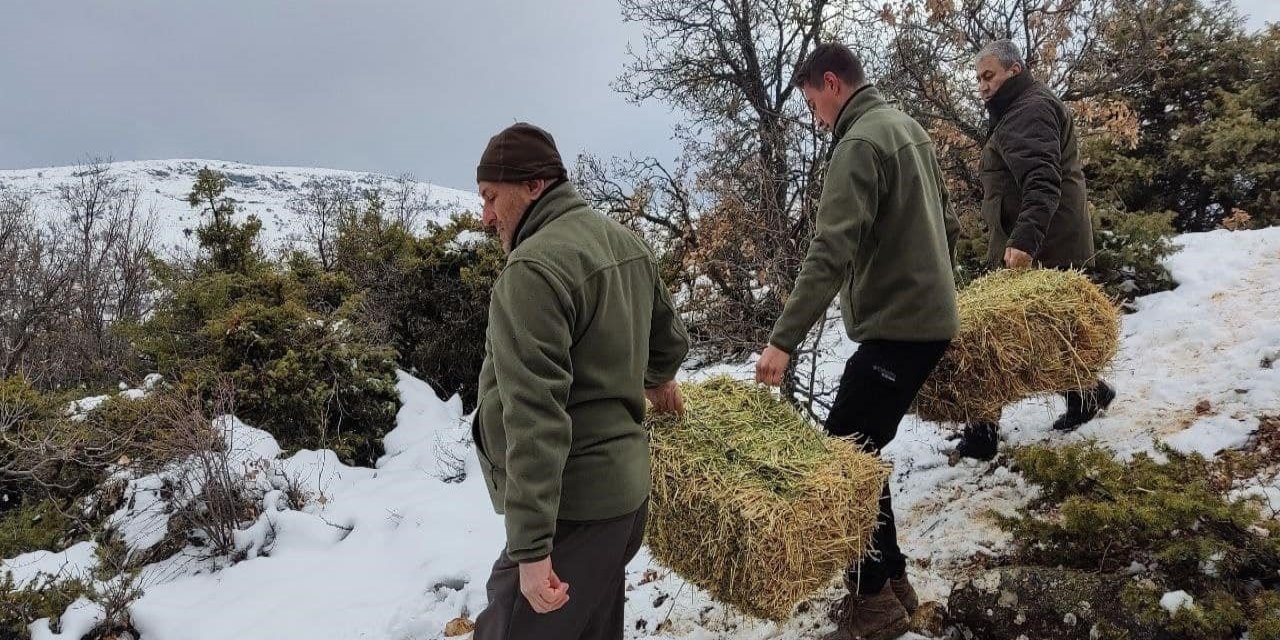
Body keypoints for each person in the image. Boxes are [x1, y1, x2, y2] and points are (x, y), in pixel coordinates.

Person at [754, 43, 959, 640]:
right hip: (924, 321)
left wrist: (783, 340)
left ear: (830, 83)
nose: (815, 115)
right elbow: (946, 226)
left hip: (900, 329)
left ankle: (870, 605)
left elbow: (829, 252)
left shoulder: (860, 143)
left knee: (842, 461)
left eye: (812, 102)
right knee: (860, 454)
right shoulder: (908, 129)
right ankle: (891, 583)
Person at [470, 122, 690, 640]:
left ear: (532, 185)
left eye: (489, 197)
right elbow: (670, 341)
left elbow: (535, 418)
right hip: (624, 503)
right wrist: (658, 379)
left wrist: (530, 550)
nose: (485, 216)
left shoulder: (531, 271)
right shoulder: (624, 242)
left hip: (574, 509)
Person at [952, 39, 1116, 462]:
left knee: (986, 339)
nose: (982, 86)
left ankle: (981, 435)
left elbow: (1043, 181)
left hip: (1040, 246)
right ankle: (1088, 395)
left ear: (1015, 69)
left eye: (989, 76)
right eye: (978, 79)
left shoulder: (1029, 109)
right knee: (1048, 334)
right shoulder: (1019, 108)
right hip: (1040, 241)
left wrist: (1024, 241)